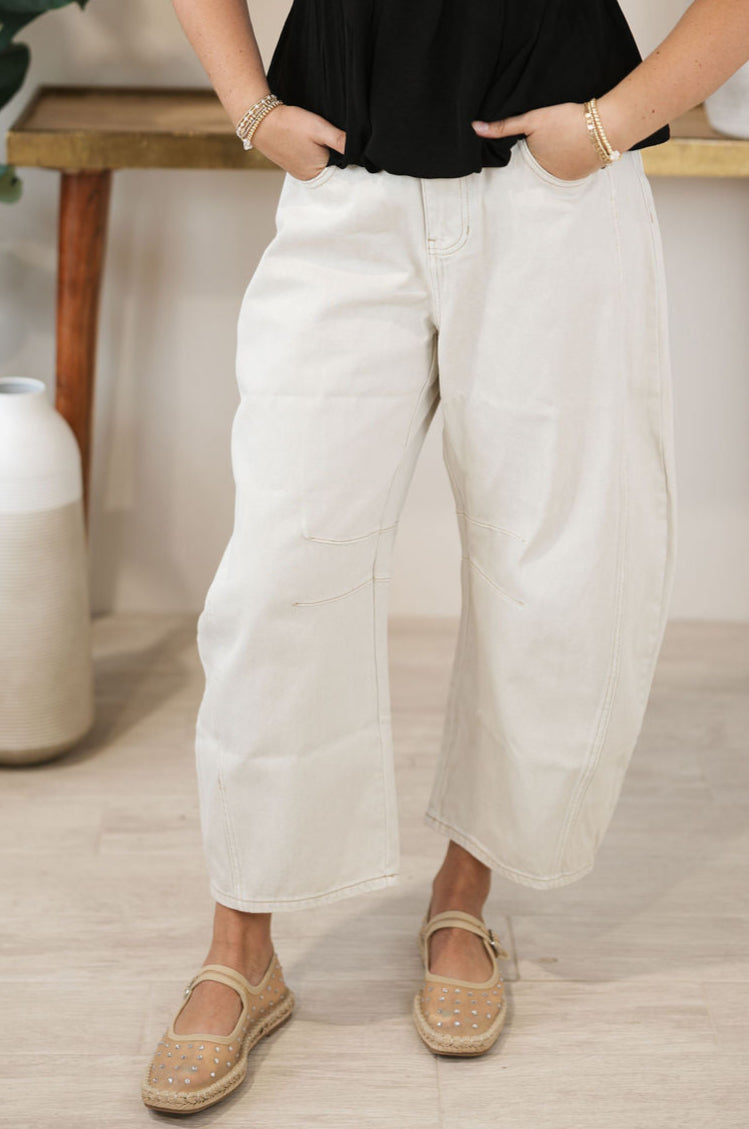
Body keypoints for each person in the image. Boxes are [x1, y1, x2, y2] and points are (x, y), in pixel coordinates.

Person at [142, 0, 749, 1114]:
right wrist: (248, 104)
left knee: (547, 568)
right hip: (348, 179)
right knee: (278, 570)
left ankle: (463, 894)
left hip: (553, 196)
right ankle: (241, 944)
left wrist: (610, 125)